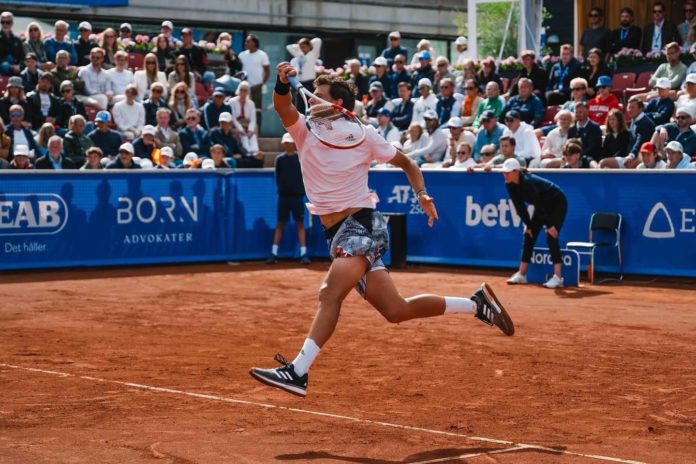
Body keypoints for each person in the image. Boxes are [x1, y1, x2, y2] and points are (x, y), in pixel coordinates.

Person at [249, 62, 514, 397]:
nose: (311, 101)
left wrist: (423, 194)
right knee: (396, 310)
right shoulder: (304, 129)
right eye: (311, 96)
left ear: (338, 106)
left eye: (318, 97)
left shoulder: (364, 135)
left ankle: (298, 371)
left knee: (329, 293)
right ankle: (476, 305)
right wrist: (282, 81)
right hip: (338, 234)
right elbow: (282, 105)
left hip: (361, 223)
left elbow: (408, 162)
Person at [503, 158, 567, 288]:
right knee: (529, 234)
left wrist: (549, 226)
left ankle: (558, 277)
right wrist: (528, 224)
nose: (505, 175)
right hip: (542, 206)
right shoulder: (509, 184)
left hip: (557, 203)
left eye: (508, 172)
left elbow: (538, 203)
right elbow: (519, 206)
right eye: (504, 172)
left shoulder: (527, 182)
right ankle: (522, 275)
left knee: (551, 236)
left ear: (516, 172)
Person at [265, 132, 310, 265]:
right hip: (284, 197)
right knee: (280, 224)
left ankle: (303, 254)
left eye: (289, 142)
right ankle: (273, 253)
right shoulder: (279, 159)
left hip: (297, 197)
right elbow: (277, 178)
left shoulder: (301, 158)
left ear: (293, 144)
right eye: (285, 143)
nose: (287, 145)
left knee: (300, 224)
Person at [600, 98, 655, 169]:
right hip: (630, 156)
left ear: (640, 109)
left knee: (604, 163)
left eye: (633, 107)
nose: (630, 110)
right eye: (629, 107)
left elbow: (640, 141)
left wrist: (631, 155)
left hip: (640, 156)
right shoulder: (634, 121)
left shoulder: (645, 123)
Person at [238, 34, 270, 125]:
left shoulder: (262, 55)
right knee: (243, 110)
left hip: (256, 87)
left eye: (248, 41)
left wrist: (261, 84)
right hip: (244, 88)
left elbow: (267, 71)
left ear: (254, 43)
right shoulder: (242, 55)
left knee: (256, 111)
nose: (245, 43)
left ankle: (257, 134)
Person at [286, 37, 322, 107]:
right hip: (300, 82)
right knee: (299, 103)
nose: (302, 49)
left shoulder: (314, 53)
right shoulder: (299, 54)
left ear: (310, 46)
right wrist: (299, 45)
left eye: (304, 46)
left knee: (310, 102)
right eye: (300, 47)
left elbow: (318, 40)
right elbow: (289, 47)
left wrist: (308, 43)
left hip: (310, 82)